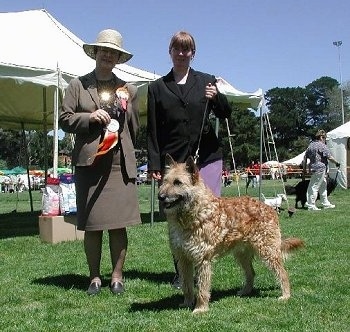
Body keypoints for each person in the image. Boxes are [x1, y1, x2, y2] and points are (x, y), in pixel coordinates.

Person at [59, 29, 141, 296]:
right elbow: (64, 119)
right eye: (103, 50)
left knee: (118, 224)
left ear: (118, 58)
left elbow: (133, 127)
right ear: (95, 53)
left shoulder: (128, 90)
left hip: (119, 165)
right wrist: (89, 118)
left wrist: (123, 145)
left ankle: (117, 277)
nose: (107, 55)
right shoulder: (77, 85)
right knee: (93, 224)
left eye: (113, 52)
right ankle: (94, 277)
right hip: (90, 164)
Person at [146, 31, 231, 288]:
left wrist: (217, 97)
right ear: (170, 51)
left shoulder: (206, 80)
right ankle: (182, 272)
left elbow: (225, 113)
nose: (182, 54)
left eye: (187, 49)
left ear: (193, 53)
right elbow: (153, 129)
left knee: (204, 215)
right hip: (174, 161)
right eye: (177, 49)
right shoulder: (157, 87)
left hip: (206, 157)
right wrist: (153, 165)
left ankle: (202, 267)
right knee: (177, 219)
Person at [302, 129, 340, 211]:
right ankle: (311, 205)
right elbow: (329, 157)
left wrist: (304, 169)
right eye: (324, 138)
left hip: (314, 168)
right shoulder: (322, 145)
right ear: (322, 137)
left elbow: (305, 158)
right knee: (314, 187)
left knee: (323, 186)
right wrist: (337, 162)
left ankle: (325, 203)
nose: (325, 140)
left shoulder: (310, 145)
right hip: (320, 169)